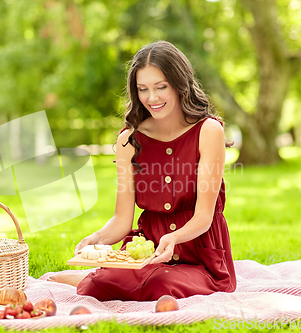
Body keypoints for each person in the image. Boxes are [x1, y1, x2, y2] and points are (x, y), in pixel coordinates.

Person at [49, 40, 236, 301]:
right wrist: (97, 238)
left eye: (161, 87)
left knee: (161, 285)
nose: (152, 98)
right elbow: (122, 220)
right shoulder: (129, 141)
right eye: (143, 89)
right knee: (100, 286)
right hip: (146, 252)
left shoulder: (208, 131)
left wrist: (174, 238)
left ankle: (106, 278)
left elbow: (204, 216)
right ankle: (93, 277)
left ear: (180, 84)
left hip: (199, 254)